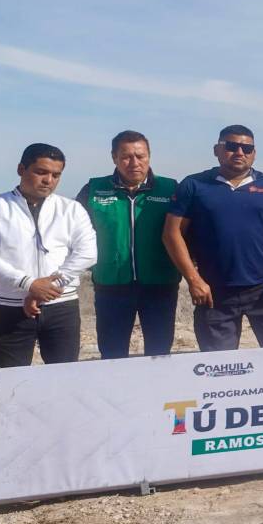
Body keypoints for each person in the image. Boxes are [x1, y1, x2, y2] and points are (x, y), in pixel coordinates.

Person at [162, 125, 263, 351]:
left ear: (254, 153)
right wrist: (194, 281)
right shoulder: (194, 185)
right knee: (219, 371)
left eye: (247, 148)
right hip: (214, 294)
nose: (239, 152)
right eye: (232, 146)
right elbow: (171, 233)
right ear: (217, 150)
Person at [0, 143, 97, 379]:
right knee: (8, 385)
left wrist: (48, 288)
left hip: (62, 308)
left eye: (56, 175)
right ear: (21, 169)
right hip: (11, 308)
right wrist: (28, 284)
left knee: (65, 381)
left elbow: (87, 253)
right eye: (41, 172)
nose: (49, 180)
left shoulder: (72, 209)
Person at [75, 130, 180, 358]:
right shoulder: (93, 190)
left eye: (140, 156)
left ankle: (157, 393)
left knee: (160, 354)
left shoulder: (170, 189)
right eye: (126, 156)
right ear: (114, 157)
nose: (134, 162)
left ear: (149, 156)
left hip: (160, 285)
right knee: (112, 354)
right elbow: (72, 233)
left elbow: (188, 232)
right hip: (111, 286)